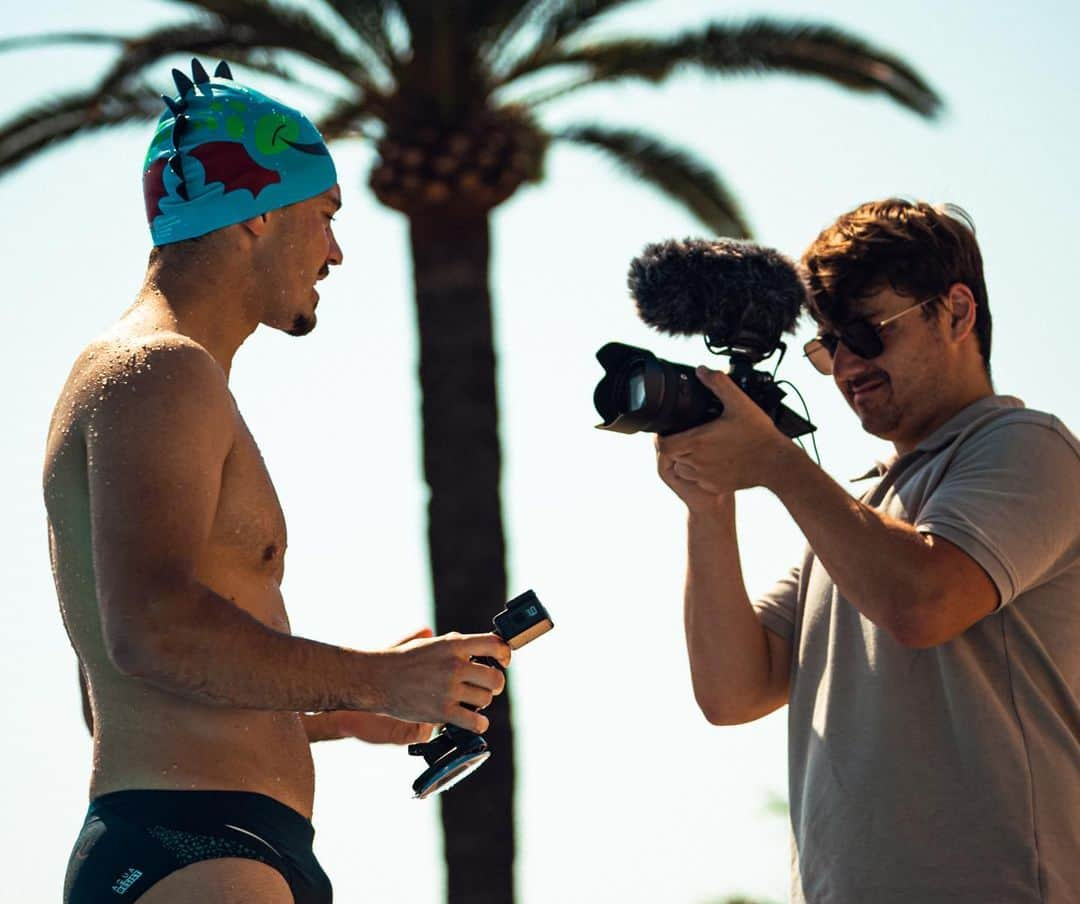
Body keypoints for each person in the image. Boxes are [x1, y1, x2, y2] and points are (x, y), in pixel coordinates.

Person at [45, 60, 511, 904]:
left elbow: (114, 695)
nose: (337, 250)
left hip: (209, 841)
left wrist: (342, 714)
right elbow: (148, 632)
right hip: (196, 848)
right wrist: (374, 676)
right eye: (327, 215)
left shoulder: (165, 376)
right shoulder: (159, 368)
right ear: (256, 214)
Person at [656, 199, 1079, 903]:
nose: (847, 362)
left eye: (865, 331)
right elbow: (733, 692)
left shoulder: (1027, 447)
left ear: (957, 312)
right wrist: (709, 502)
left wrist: (775, 462)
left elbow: (923, 603)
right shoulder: (861, 515)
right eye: (828, 344)